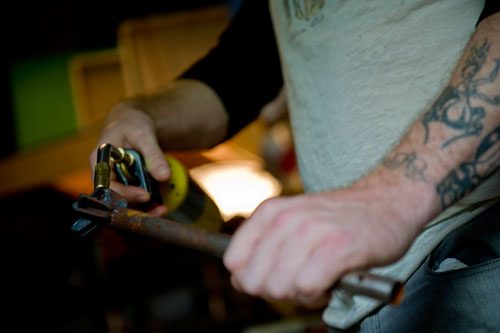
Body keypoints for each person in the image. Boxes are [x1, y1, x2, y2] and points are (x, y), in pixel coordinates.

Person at [90, 1, 500, 331]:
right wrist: (140, 113)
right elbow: (233, 77)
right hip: (364, 301)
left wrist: (390, 198)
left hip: (471, 250)